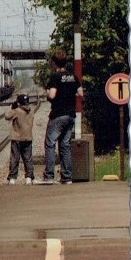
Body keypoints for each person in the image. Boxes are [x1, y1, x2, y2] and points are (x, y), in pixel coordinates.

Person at [41, 49, 83, 184]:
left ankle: (49, 176)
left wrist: (47, 92)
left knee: (50, 144)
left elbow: (52, 95)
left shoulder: (55, 77)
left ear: (54, 63)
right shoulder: (73, 77)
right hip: (71, 116)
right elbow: (80, 94)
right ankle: (67, 177)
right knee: (65, 145)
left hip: (58, 115)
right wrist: (69, 95)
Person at [4, 93, 35, 184]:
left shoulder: (16, 111)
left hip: (17, 138)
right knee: (28, 158)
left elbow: (7, 116)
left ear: (18, 103)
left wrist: (11, 107)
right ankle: (29, 177)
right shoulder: (31, 112)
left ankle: (12, 178)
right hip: (28, 138)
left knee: (14, 157)